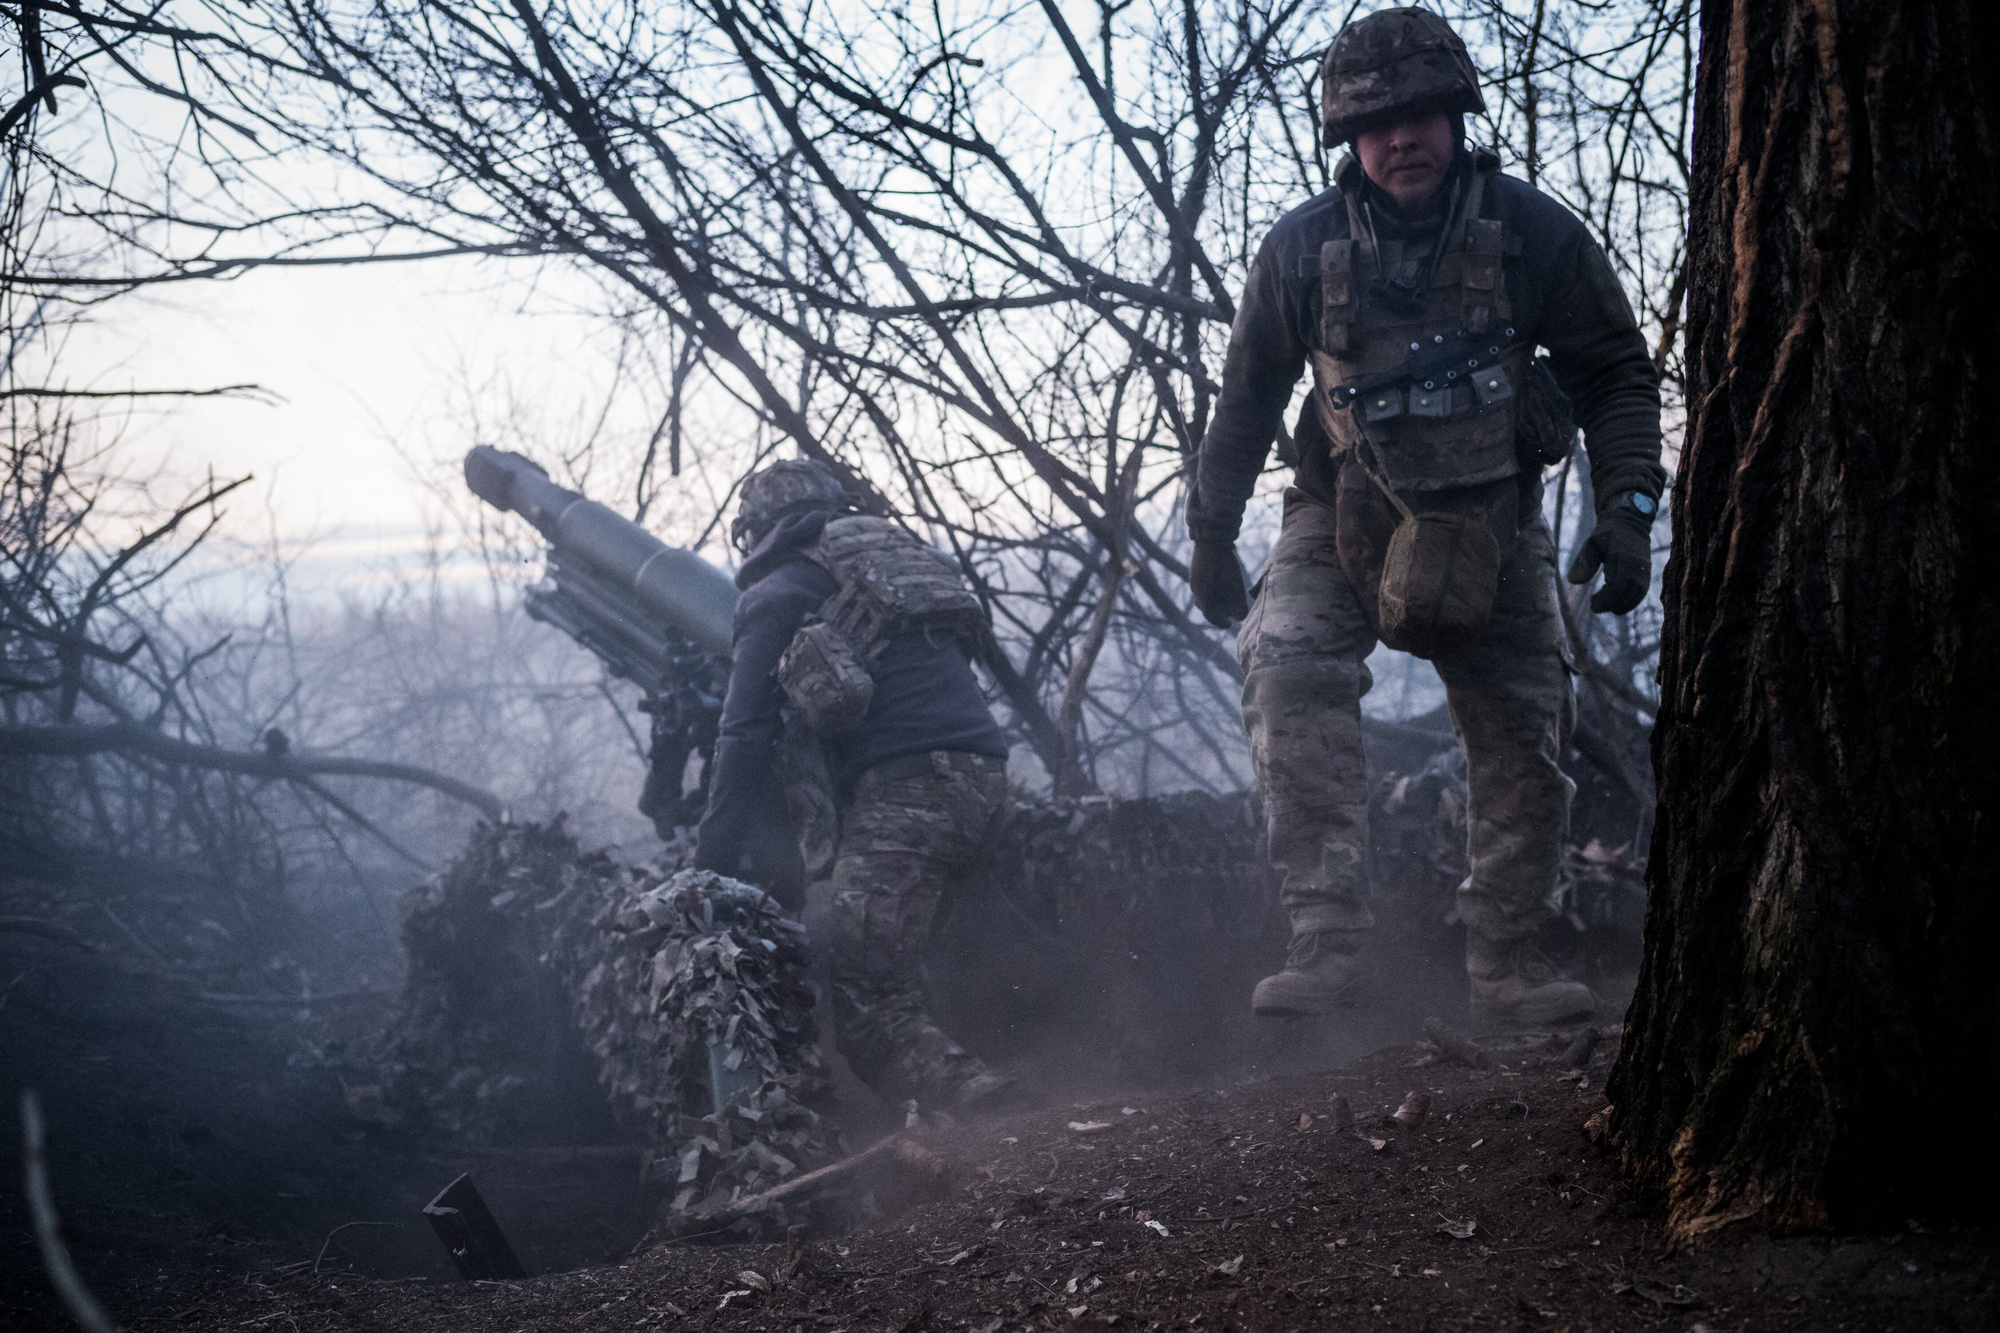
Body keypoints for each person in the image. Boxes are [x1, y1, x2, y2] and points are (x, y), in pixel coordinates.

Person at [1184, 8, 1665, 1027]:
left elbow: (1616, 372)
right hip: (1335, 513)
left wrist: (1626, 507)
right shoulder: (1300, 250)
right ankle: (1326, 945)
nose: (1402, 138)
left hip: (1487, 518)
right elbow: (1243, 403)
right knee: (1284, 671)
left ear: (1456, 115)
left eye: (1422, 115)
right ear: (1347, 141)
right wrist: (1209, 530)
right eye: (1377, 122)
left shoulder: (1532, 234)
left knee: (1524, 731)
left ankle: (1508, 958)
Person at [693, 458, 1021, 1110]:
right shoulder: (894, 572)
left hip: (908, 799)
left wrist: (706, 872)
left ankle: (983, 1114)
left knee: (866, 1003)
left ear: (756, 529)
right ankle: (994, 1084)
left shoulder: (774, 594)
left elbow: (742, 741)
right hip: (987, 783)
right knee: (919, 965)